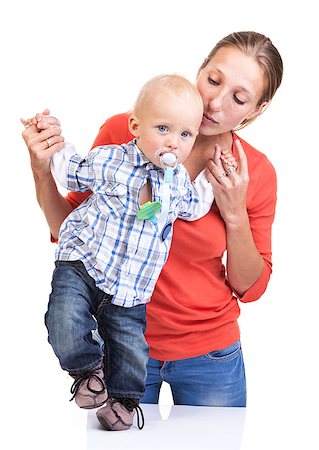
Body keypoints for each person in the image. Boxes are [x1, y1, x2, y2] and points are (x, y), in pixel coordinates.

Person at [22, 31, 283, 417]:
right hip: (119, 343)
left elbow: (250, 287)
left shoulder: (255, 173)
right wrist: (42, 171)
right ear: (200, 70)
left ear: (256, 110)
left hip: (210, 357)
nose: (214, 101)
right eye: (213, 80)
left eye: (238, 98)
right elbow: (67, 230)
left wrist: (234, 212)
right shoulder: (128, 133)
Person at [25, 74, 228, 431]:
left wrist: (215, 177)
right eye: (163, 128)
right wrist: (50, 136)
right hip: (84, 263)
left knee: (132, 351)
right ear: (135, 125)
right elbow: (70, 170)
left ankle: (123, 402)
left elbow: (196, 205)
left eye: (185, 134)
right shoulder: (110, 160)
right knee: (63, 320)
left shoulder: (179, 182)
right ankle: (89, 371)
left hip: (132, 287)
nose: (174, 143)